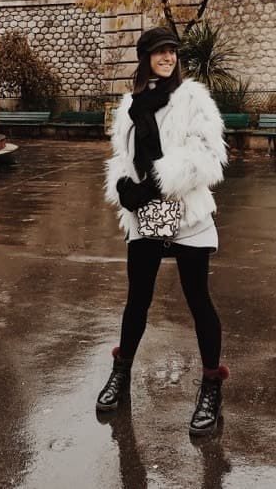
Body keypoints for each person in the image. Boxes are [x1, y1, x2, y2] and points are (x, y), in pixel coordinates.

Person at [96, 26, 229, 435]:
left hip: (185, 210)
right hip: (146, 215)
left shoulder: (193, 98)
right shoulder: (130, 105)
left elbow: (208, 155)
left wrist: (159, 181)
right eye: (159, 52)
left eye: (171, 51)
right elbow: (122, 156)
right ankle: (121, 372)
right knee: (138, 298)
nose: (167, 58)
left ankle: (211, 385)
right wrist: (123, 187)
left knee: (197, 299)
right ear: (146, 58)